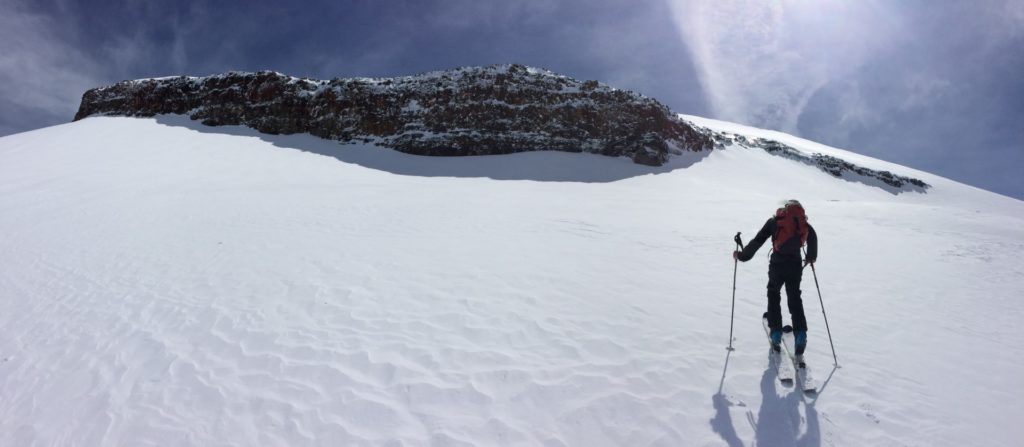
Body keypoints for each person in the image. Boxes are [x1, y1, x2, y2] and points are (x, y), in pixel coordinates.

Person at [734, 199, 817, 356]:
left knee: (773, 294)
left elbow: (758, 241)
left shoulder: (774, 222)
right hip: (795, 265)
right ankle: (800, 334)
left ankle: (776, 333)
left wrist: (742, 256)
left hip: (777, 264)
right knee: (794, 297)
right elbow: (812, 236)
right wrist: (811, 257)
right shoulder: (801, 223)